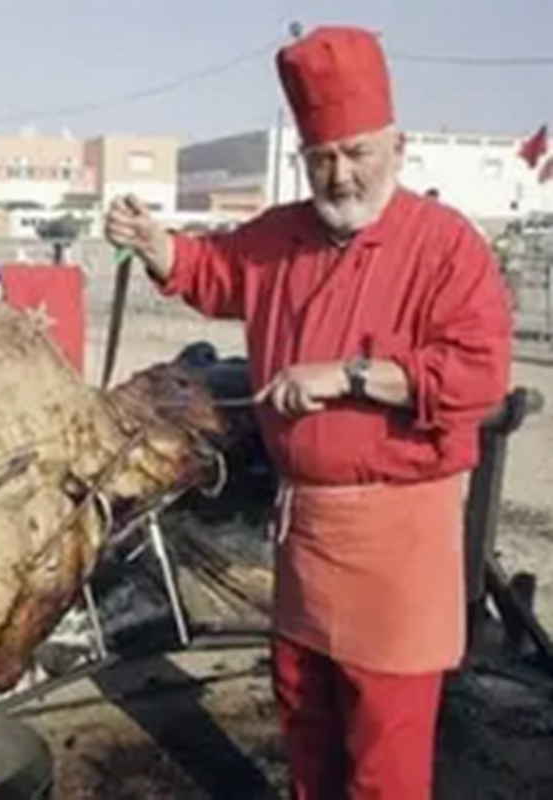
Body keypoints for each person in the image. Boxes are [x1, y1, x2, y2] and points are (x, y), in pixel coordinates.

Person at [105, 25, 512, 800]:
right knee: (306, 726)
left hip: (397, 541)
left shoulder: (445, 247)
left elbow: (477, 378)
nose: (341, 173)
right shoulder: (279, 235)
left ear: (396, 145)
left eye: (357, 152)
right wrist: (155, 242)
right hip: (305, 538)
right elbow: (213, 271)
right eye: (322, 157)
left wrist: (352, 377)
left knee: (383, 757)